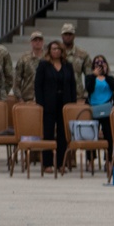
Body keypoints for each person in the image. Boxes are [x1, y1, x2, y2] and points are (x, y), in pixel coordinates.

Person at [34, 40, 77, 173]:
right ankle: (47, 164)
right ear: (49, 51)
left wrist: (72, 103)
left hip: (64, 103)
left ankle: (61, 163)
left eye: (58, 49)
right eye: (53, 49)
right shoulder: (43, 65)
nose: (56, 51)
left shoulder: (68, 65)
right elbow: (38, 86)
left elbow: (72, 85)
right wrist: (40, 104)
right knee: (48, 133)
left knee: (63, 134)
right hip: (48, 104)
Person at [85, 55, 114, 168]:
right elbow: (89, 88)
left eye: (102, 62)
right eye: (97, 62)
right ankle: (90, 160)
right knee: (91, 135)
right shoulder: (90, 77)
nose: (99, 64)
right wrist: (94, 75)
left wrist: (105, 73)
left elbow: (113, 87)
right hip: (93, 108)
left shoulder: (110, 78)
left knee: (108, 135)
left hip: (106, 108)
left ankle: (108, 160)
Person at [60, 23, 92, 102]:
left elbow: (90, 76)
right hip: (57, 95)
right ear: (62, 36)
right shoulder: (54, 53)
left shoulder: (83, 54)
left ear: (74, 36)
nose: (68, 36)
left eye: (70, 34)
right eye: (65, 34)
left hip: (76, 96)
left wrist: (86, 94)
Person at [13, 31, 46, 102]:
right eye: (35, 40)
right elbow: (16, 82)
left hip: (45, 98)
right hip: (27, 98)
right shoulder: (24, 58)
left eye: (40, 40)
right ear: (31, 42)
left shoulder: (48, 58)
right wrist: (20, 98)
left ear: (43, 42)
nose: (38, 42)